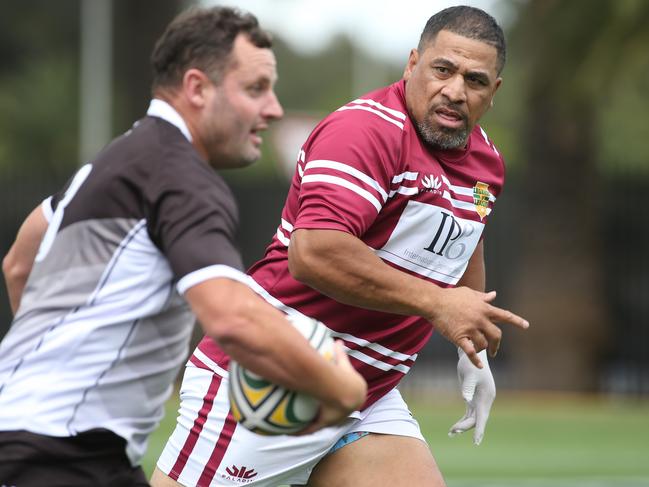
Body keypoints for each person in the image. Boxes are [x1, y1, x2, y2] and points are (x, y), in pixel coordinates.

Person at [152, 5, 529, 487]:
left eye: (475, 80)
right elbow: (314, 253)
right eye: (442, 69)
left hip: (366, 395)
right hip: (275, 373)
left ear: (493, 92)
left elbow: (466, 231)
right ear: (413, 63)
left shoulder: (486, 162)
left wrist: (469, 347)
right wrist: (438, 304)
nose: (455, 91)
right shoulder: (366, 131)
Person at [0, 7, 367, 487]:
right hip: (59, 456)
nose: (273, 108)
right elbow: (233, 320)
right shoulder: (181, 178)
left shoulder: (117, 160)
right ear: (197, 88)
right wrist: (341, 387)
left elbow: (19, 263)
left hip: (48, 443)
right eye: (256, 89)